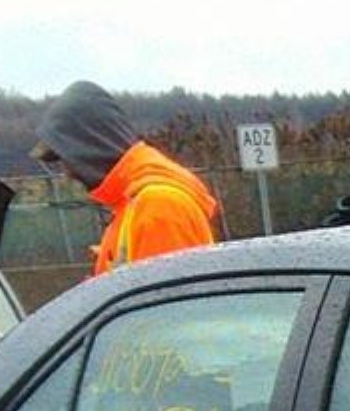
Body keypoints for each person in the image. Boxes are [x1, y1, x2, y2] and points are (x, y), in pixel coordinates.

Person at [32, 80, 222, 275]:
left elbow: (169, 301)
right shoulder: (134, 204)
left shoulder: (159, 206)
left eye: (67, 158)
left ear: (88, 147)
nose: (67, 172)